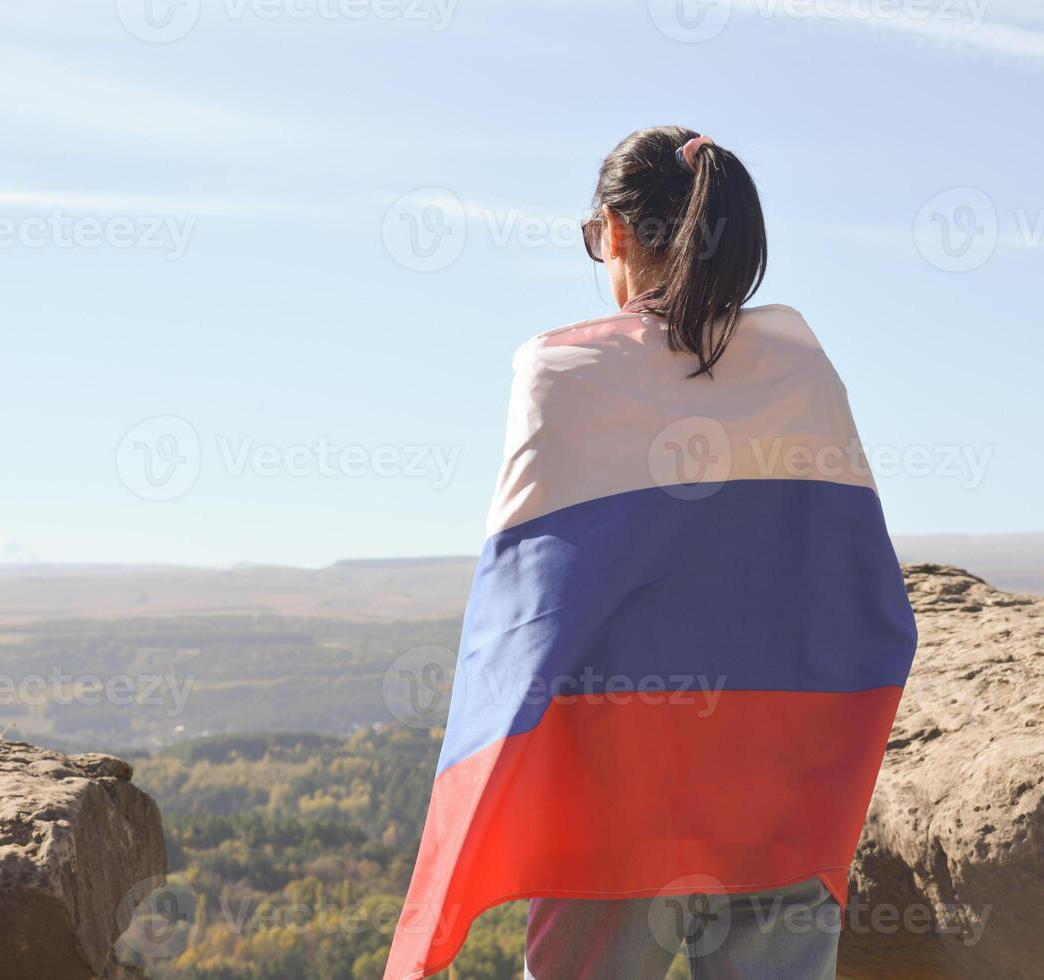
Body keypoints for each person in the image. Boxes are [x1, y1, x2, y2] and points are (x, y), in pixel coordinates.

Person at [384, 126, 917, 980]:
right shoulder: (802, 370)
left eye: (600, 240)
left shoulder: (561, 371)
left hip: (612, 806)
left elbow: (524, 618)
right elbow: (857, 592)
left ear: (617, 231)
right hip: (775, 795)